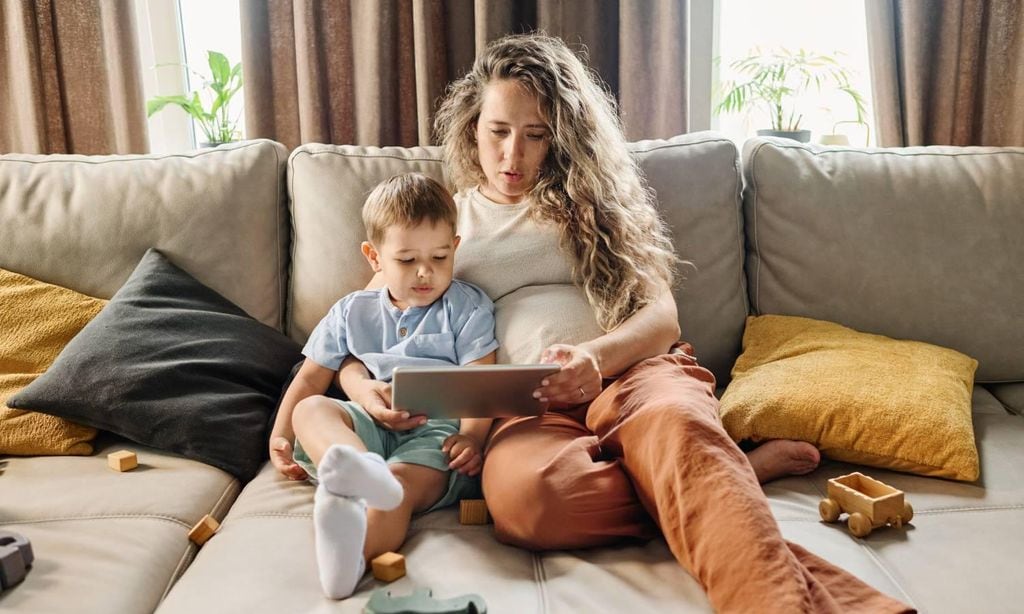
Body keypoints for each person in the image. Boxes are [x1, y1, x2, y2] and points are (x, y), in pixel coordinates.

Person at [342, 34, 913, 613]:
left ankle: (736, 534)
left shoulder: (599, 201)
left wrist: (599, 358)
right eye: (499, 131)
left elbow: (662, 315)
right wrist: (362, 387)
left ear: (564, 136)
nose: (514, 155)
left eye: (536, 135)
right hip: (526, 406)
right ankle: (721, 473)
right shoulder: (444, 222)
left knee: (676, 435)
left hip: (635, 376)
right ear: (473, 127)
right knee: (528, 503)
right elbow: (357, 327)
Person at [268, 173, 499, 599]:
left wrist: (471, 437)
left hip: (435, 432)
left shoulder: (467, 307)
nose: (426, 272)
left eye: (440, 257)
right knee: (312, 409)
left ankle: (349, 563)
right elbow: (310, 378)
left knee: (398, 489)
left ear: (456, 248)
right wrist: (279, 438)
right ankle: (357, 467)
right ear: (374, 257)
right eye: (407, 260)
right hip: (368, 424)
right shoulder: (351, 311)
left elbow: (479, 382)